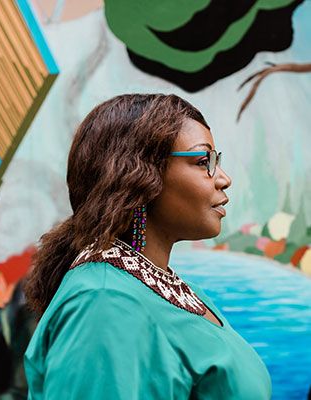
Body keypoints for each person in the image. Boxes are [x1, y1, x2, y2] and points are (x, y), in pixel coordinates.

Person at [23, 93, 272, 399]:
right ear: (139, 176)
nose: (223, 178)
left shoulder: (170, 291)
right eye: (203, 161)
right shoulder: (105, 302)